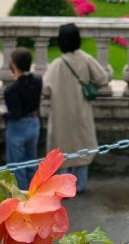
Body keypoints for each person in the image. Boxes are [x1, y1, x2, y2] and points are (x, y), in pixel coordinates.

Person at [43, 23, 109, 194]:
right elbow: (103, 78)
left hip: (61, 116)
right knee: (82, 148)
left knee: (62, 151)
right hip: (81, 113)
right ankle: (79, 186)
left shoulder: (57, 64)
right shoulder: (85, 59)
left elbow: (45, 89)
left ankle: (63, 187)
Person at [0, 47, 42, 190]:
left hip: (17, 127)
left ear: (14, 66)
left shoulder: (11, 90)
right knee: (31, 160)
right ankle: (34, 190)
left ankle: (22, 193)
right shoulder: (37, 80)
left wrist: (2, 112)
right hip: (34, 123)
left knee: (17, 164)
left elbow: (15, 114)